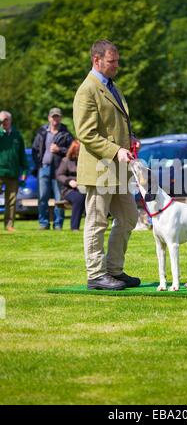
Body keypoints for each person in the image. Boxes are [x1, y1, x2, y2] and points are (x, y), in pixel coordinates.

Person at [73, 39, 140, 291]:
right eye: (112, 62)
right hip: (100, 169)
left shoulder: (113, 87)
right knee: (97, 222)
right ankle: (96, 275)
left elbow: (114, 125)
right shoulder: (87, 90)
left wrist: (130, 140)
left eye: (118, 61)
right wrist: (117, 150)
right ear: (96, 60)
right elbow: (86, 134)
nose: (117, 66)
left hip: (118, 169)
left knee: (129, 217)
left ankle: (114, 270)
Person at [32, 107, 73, 230]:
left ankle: (58, 224)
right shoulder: (42, 132)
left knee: (59, 198)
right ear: (49, 118)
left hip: (59, 170)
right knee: (43, 197)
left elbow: (73, 151)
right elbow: (35, 150)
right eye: (53, 116)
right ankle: (43, 223)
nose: (55, 119)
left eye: (57, 116)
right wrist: (39, 164)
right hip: (44, 168)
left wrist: (59, 150)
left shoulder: (66, 133)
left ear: (60, 118)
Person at [0, 111, 27, 232]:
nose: (4, 122)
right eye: (1, 120)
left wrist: (25, 172)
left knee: (11, 201)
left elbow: (22, 155)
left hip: (13, 173)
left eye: (6, 120)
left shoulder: (17, 136)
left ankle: (9, 225)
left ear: (10, 120)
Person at [56, 140, 86, 231]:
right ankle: (74, 226)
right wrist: (69, 181)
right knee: (79, 198)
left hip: (83, 188)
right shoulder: (66, 161)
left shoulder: (85, 161)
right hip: (68, 190)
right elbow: (59, 175)